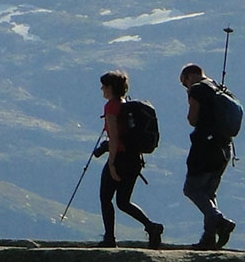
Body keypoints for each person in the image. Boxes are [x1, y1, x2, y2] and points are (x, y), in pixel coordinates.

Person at [97, 70, 164, 248]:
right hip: (134, 159)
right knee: (123, 201)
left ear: (110, 87)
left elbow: (115, 137)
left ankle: (109, 239)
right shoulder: (127, 105)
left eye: (103, 85)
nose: (101, 88)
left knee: (106, 198)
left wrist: (111, 163)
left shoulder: (111, 107)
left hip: (120, 158)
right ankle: (151, 227)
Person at [179, 63, 236, 249]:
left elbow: (192, 119)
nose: (185, 87)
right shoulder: (220, 88)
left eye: (184, 83)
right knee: (208, 193)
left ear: (190, 76)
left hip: (205, 147)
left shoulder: (197, 89)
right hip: (225, 148)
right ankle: (208, 238)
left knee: (192, 189)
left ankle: (219, 221)